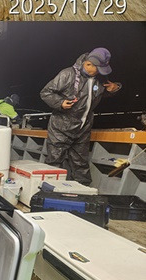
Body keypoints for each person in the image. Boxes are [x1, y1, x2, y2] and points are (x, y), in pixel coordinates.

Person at [41, 48, 122, 184]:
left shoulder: (100, 78)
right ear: (88, 64)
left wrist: (115, 88)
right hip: (61, 128)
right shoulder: (67, 74)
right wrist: (60, 103)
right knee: (54, 162)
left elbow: (98, 94)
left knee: (81, 165)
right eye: (98, 69)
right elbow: (45, 92)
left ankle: (84, 192)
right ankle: (49, 191)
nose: (100, 72)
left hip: (83, 129)